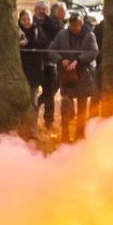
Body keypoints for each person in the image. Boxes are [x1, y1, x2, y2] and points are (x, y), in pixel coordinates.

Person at [48, 9, 98, 142]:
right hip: (67, 76)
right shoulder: (62, 34)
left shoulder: (89, 35)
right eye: (72, 24)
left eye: (77, 24)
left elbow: (94, 52)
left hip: (84, 75)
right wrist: (60, 60)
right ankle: (65, 135)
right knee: (66, 104)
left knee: (82, 107)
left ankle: (80, 136)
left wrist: (79, 60)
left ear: (81, 24)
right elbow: (51, 51)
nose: (74, 27)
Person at [18, 8, 44, 109]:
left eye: (28, 19)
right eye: (24, 20)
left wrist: (29, 43)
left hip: (35, 68)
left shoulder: (37, 29)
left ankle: (33, 122)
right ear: (20, 20)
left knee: (34, 97)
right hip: (21, 67)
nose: (27, 22)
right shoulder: (16, 31)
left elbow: (43, 43)